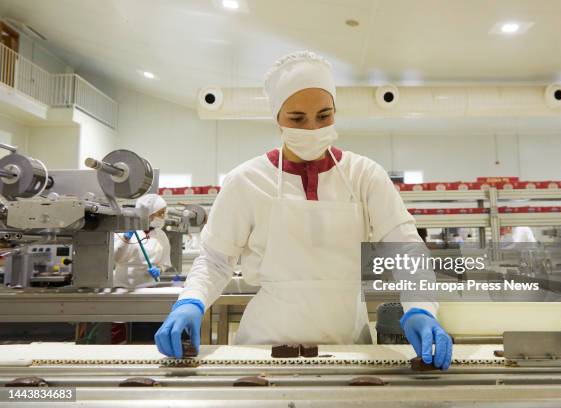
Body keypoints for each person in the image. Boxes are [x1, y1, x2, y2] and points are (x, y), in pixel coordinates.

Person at [155, 51, 453, 370]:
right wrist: (191, 301)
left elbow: (405, 247)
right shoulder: (246, 180)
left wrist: (421, 308)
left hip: (348, 348)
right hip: (264, 349)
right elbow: (215, 259)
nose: (312, 128)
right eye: (297, 118)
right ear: (278, 117)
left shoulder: (364, 175)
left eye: (324, 116)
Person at [114, 194, 172, 288]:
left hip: (150, 286)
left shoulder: (161, 235)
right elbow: (116, 257)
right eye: (161, 213)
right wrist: (125, 239)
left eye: (164, 213)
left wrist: (159, 270)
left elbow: (165, 262)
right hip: (123, 286)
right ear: (149, 214)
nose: (163, 217)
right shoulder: (125, 231)